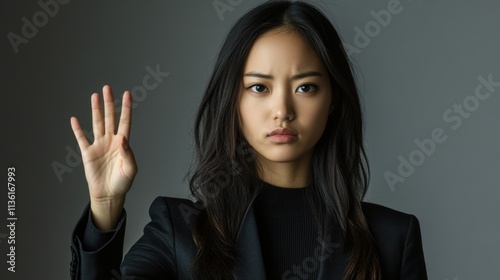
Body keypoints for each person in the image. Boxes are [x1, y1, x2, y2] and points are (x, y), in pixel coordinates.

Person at [69, 1, 427, 279]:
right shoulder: (180, 231)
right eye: (259, 87)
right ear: (233, 101)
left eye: (306, 87)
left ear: (332, 99)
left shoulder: (392, 238)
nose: (282, 110)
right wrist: (105, 206)